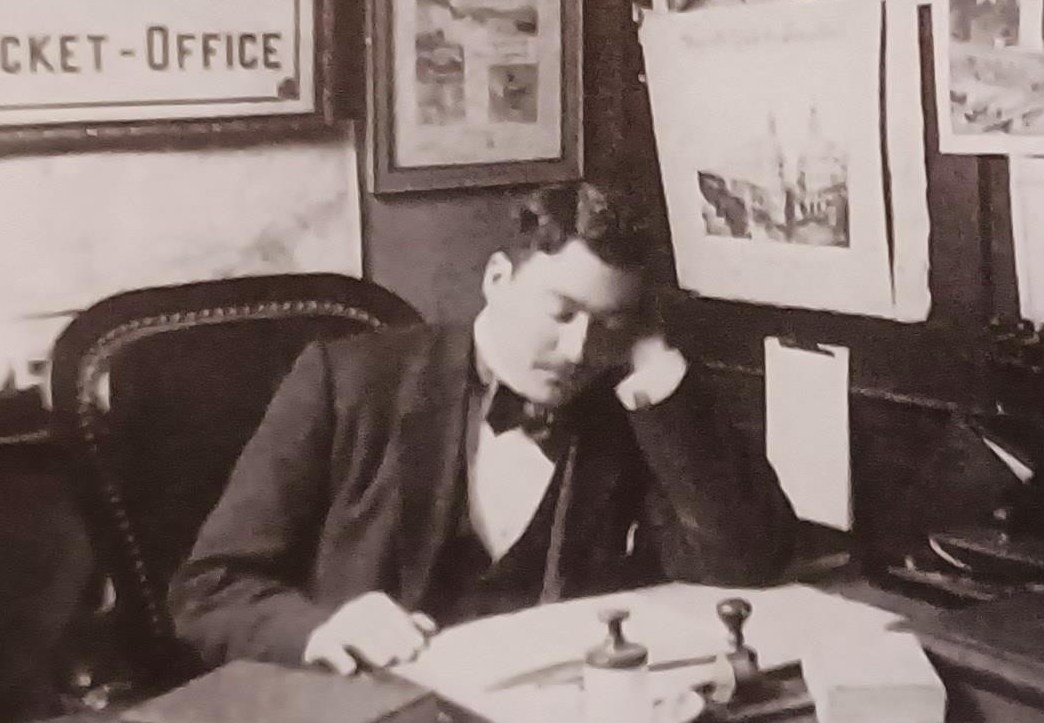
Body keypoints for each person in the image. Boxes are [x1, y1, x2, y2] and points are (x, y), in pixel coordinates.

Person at [170, 179, 796, 673]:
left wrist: (656, 364)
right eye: (561, 312)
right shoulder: (347, 382)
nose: (579, 350)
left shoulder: (628, 403)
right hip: (377, 716)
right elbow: (210, 589)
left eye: (608, 325)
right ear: (497, 279)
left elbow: (748, 561)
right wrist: (321, 631)